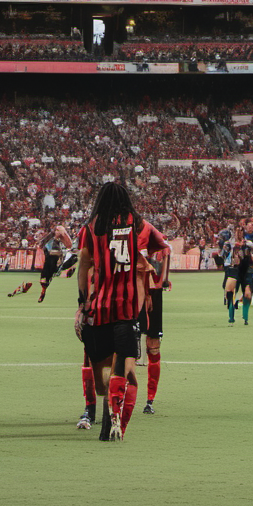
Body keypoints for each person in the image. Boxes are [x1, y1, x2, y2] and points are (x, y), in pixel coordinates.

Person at [74, 181, 166, 442]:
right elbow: (155, 256)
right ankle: (118, 423)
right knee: (125, 369)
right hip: (127, 309)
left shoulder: (90, 228)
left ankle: (94, 407)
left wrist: (82, 303)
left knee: (97, 367)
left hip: (99, 307)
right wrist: (152, 285)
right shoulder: (138, 225)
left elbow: (83, 266)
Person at [137, 223, 172, 414]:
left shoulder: (161, 250)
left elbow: (163, 276)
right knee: (128, 346)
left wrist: (163, 280)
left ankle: (150, 399)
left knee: (153, 346)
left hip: (153, 296)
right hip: (135, 294)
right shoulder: (132, 245)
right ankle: (125, 394)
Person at [37, 224, 75, 303]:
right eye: (56, 231)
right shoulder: (50, 239)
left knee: (54, 271)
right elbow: (42, 245)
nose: (57, 232)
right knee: (44, 279)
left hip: (55, 259)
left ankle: (66, 271)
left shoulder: (61, 241)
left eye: (59, 231)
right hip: (49, 259)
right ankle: (43, 292)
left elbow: (68, 246)